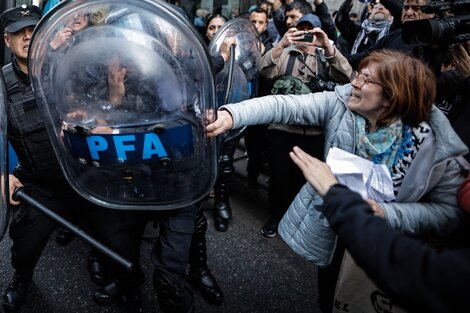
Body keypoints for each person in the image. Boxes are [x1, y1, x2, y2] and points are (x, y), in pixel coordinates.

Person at [206, 49, 468, 313]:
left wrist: (385, 212)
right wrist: (231, 115)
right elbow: (284, 105)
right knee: (329, 298)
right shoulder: (340, 103)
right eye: (357, 75)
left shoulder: (435, 146)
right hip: (339, 230)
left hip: (394, 249)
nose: (354, 83)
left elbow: (448, 213)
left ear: (392, 95)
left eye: (366, 80)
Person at [1, 5, 143, 313]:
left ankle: (129, 288)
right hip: (42, 183)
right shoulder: (2, 86)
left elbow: (104, 109)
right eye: (19, 33)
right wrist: (2, 175)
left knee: (120, 237)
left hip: (86, 175)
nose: (27, 37)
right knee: (25, 242)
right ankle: (21, 278)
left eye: (33, 30)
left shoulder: (72, 68)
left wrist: (95, 120)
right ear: (6, 40)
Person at [289, 148, 470, 313]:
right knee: (333, 289)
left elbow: (420, 273)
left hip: (397, 233)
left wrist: (338, 197)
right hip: (360, 219)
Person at [257, 14, 352, 238]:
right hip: (282, 129)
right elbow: (263, 69)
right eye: (302, 30)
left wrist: (328, 47)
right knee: (279, 176)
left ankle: (297, 223)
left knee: (304, 179)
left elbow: (347, 77)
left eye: (311, 31)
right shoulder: (285, 54)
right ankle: (276, 217)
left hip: (314, 131)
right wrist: (281, 44)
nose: (306, 35)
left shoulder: (325, 57)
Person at [335, 0, 402, 54]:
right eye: (376, 7)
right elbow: (340, 20)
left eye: (385, 7)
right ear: (369, 15)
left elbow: (399, 13)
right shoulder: (359, 32)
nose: (380, 8)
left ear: (391, 16)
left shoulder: (394, 31)